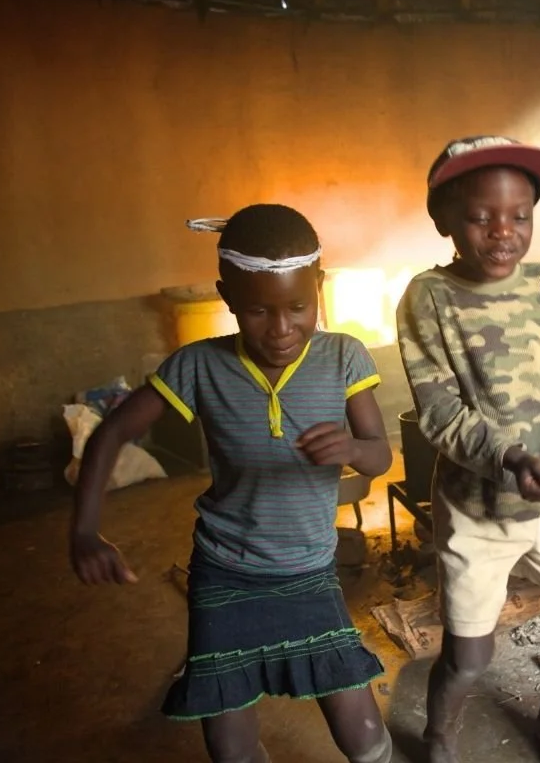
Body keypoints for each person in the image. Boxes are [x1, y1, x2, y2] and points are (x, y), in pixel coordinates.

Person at [69, 204, 395, 763]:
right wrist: (85, 531)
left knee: (364, 734)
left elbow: (380, 457)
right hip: (225, 574)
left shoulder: (343, 356)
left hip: (310, 573)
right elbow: (110, 434)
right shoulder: (197, 366)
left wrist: (351, 449)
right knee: (230, 745)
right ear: (227, 297)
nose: (281, 327)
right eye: (257, 311)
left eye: (298, 306)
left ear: (319, 287)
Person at [396, 135, 540, 763]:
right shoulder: (430, 299)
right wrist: (509, 459)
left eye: (519, 216)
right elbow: (439, 411)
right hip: (477, 513)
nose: (503, 232)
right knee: (469, 659)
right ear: (442, 218)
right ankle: (440, 735)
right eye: (480, 216)